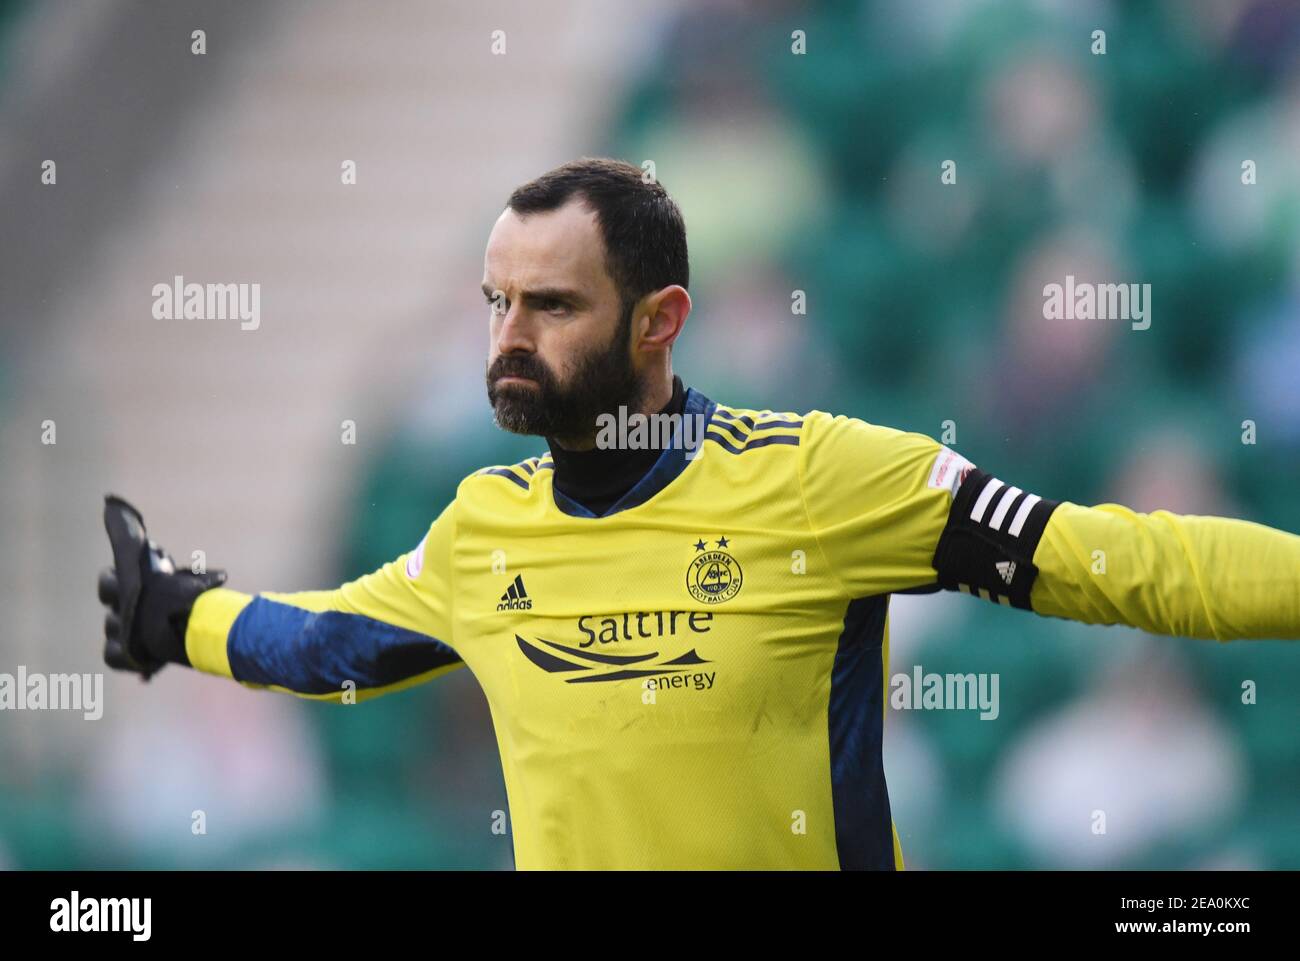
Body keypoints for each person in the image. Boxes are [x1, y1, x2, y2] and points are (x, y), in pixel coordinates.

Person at [97, 157, 1300, 870]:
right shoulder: (481, 527)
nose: (508, 341)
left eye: (550, 306)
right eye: (495, 303)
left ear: (659, 321)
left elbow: (1117, 561)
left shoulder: (824, 479)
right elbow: (320, 648)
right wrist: (171, 613)